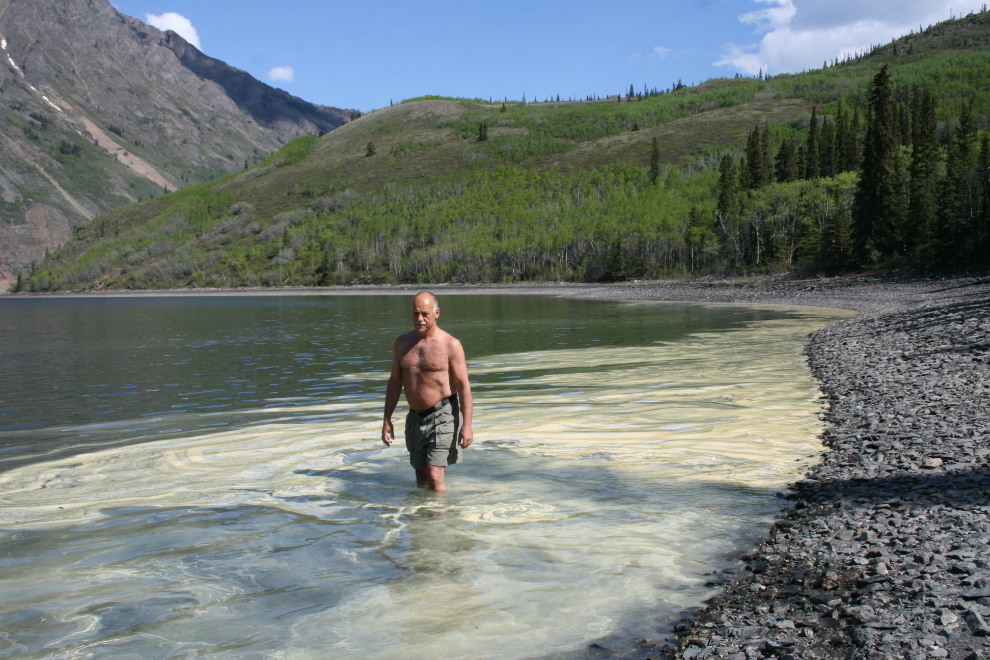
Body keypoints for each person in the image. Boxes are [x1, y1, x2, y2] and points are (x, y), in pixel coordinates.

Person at [382, 291, 474, 491]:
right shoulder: (402, 344)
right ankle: (423, 518)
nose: (419, 319)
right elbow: (395, 382)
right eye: (415, 314)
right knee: (421, 473)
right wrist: (387, 419)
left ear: (437, 313)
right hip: (415, 417)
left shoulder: (451, 345)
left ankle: (439, 520)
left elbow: (464, 385)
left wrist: (467, 425)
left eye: (425, 314)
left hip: (443, 413)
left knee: (434, 474)